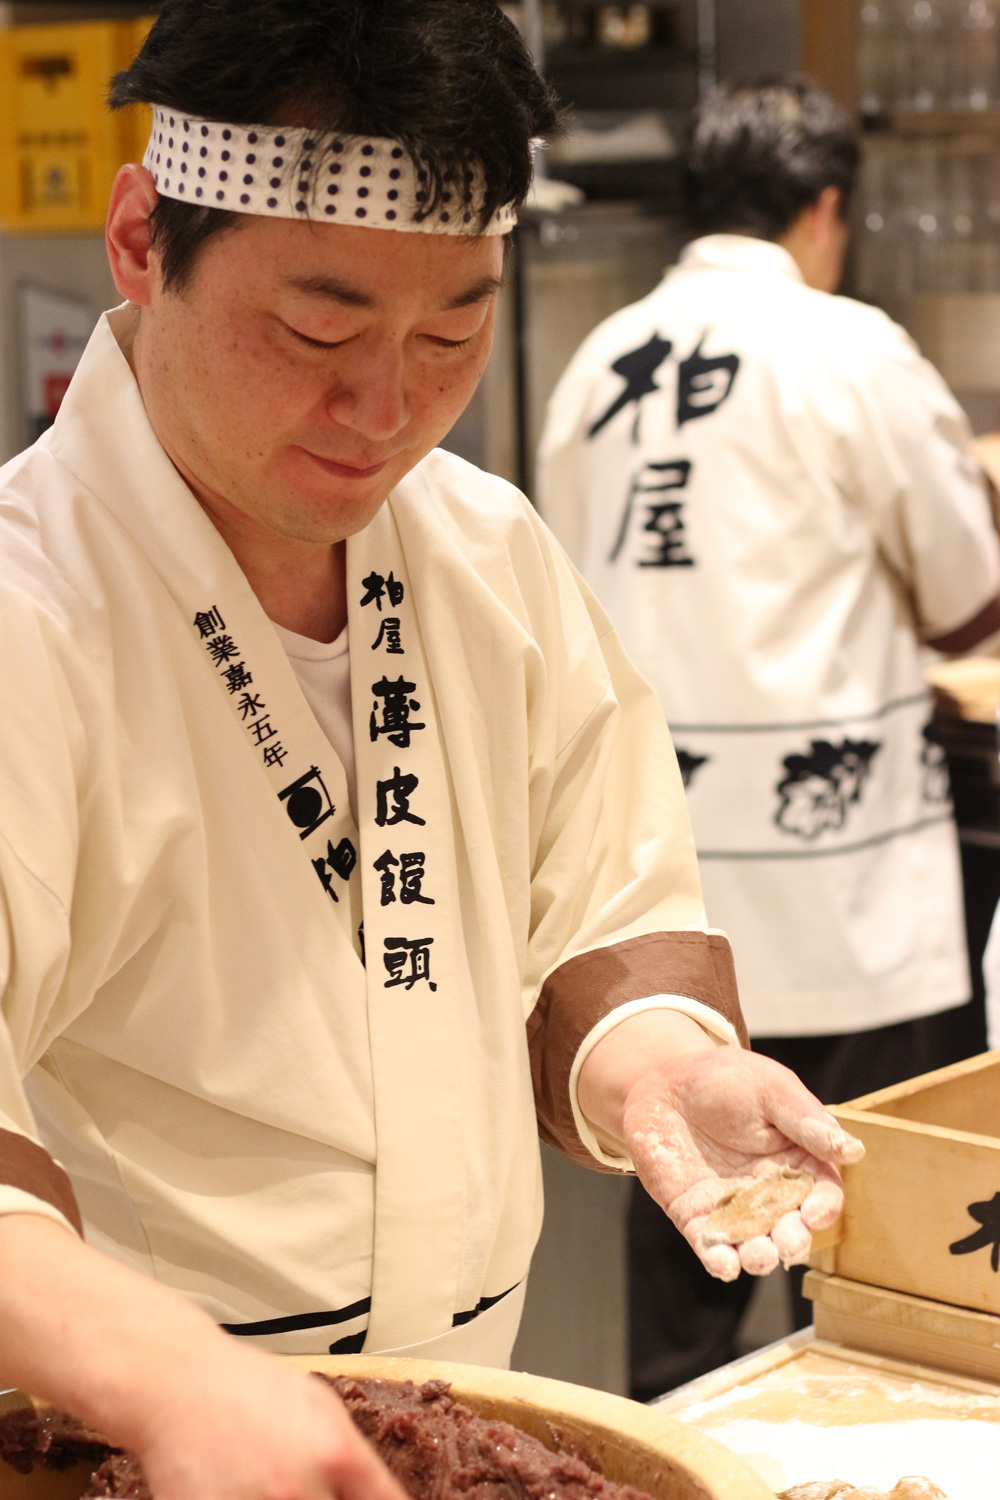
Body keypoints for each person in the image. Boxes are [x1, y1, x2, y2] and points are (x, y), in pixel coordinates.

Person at [0, 17, 863, 1495]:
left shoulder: (484, 550)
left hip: (460, 1409)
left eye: (452, 334)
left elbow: (601, 892)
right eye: (318, 332)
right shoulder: (29, 612)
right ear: (143, 239)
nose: (386, 410)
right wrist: (170, 1381)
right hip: (124, 1442)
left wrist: (658, 1066)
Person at [536, 76, 1000, 1401]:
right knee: (890, 1287)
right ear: (826, 208)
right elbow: (970, 597)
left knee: (684, 1247)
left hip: (665, 918)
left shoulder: (593, 365)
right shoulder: (850, 347)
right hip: (852, 917)